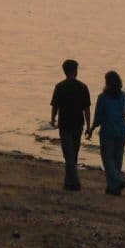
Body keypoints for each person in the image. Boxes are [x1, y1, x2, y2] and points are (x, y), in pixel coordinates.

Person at [88, 70, 125, 196]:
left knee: (107, 158)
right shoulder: (124, 95)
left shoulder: (103, 97)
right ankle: (112, 188)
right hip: (122, 131)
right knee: (118, 158)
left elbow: (98, 116)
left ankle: (117, 180)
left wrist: (92, 129)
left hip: (108, 131)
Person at [49, 59, 91, 191]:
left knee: (68, 154)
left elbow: (55, 106)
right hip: (78, 124)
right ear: (75, 71)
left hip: (64, 124)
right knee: (73, 153)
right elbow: (87, 109)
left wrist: (52, 119)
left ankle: (70, 183)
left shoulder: (60, 86)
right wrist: (89, 126)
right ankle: (73, 183)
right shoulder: (82, 87)